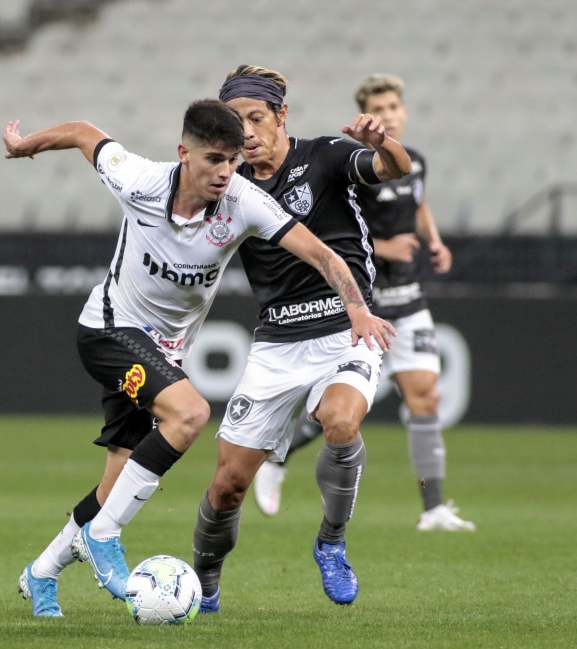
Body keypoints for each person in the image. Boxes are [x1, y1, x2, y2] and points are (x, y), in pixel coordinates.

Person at [2, 99, 395, 617]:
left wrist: (359, 310)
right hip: (108, 330)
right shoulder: (137, 179)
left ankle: (42, 572)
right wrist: (24, 146)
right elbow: (81, 132)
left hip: (162, 353)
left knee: (117, 478)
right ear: (183, 153)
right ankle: (104, 536)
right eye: (214, 159)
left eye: (233, 160)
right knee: (189, 413)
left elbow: (321, 253)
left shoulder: (244, 200)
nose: (226, 172)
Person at [191, 65, 412, 610]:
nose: (246, 132)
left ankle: (331, 543)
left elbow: (393, 169)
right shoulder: (228, 186)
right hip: (275, 344)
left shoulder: (327, 155)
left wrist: (386, 145)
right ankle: (204, 581)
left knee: (340, 422)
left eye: (256, 118)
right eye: (235, 122)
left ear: (281, 115)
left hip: (347, 327)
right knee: (226, 489)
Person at [251, 74, 475, 533]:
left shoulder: (416, 162)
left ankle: (432, 509)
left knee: (424, 397)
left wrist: (434, 240)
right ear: (368, 110)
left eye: (395, 105)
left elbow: (418, 200)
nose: (390, 113)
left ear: (404, 111)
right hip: (357, 303)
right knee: (338, 414)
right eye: (381, 106)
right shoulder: (355, 163)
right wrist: (383, 245)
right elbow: (331, 222)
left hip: (409, 300)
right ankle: (277, 457)